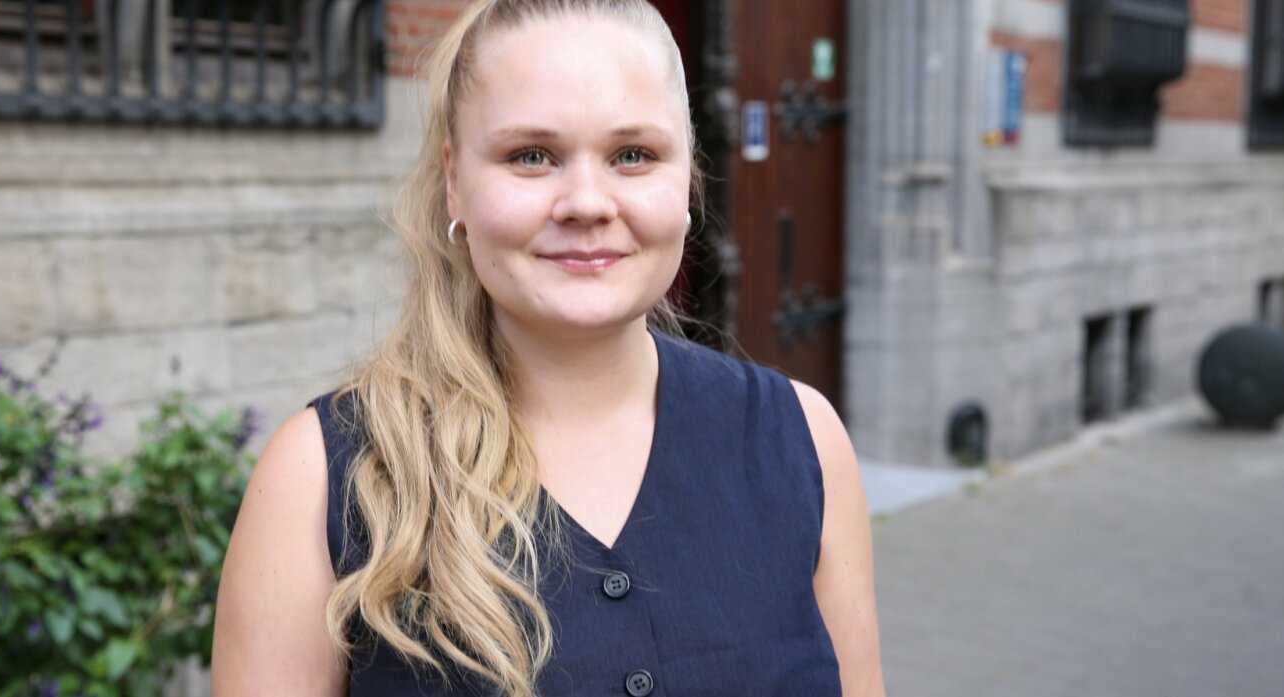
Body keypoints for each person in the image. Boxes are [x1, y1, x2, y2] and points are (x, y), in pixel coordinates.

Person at [211, 0, 885, 694]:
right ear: (454, 183)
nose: (586, 202)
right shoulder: (324, 475)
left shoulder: (802, 440)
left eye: (633, 155)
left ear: (687, 175)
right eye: (531, 156)